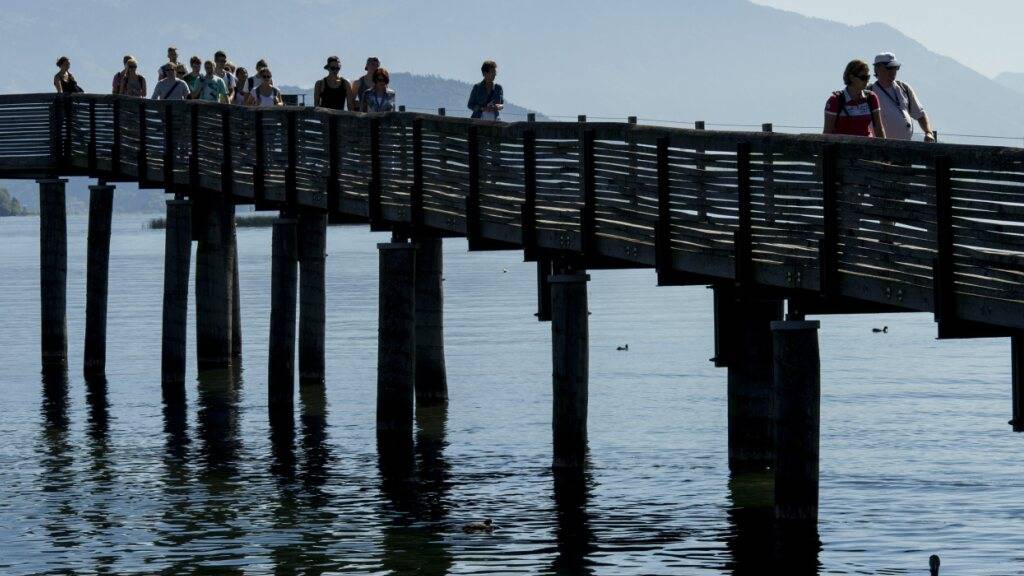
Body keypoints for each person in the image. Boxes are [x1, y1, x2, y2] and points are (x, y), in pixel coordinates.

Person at [867, 52, 935, 142]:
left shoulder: (904, 88)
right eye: (890, 68)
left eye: (896, 68)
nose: (893, 71)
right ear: (877, 68)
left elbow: (920, 114)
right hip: (879, 146)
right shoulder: (868, 92)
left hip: (905, 146)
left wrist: (928, 132)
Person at [824, 60, 885, 138]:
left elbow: (879, 129)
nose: (867, 81)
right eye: (863, 77)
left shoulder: (871, 97)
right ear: (851, 77)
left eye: (868, 77)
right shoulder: (835, 100)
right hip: (844, 148)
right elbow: (827, 133)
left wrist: (885, 149)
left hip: (867, 148)